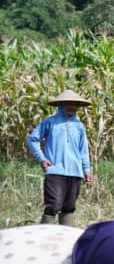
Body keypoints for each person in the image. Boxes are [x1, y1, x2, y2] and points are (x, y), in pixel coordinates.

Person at [26, 90, 95, 227]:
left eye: (76, 105)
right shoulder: (50, 122)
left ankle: (66, 240)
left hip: (75, 172)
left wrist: (86, 169)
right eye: (69, 104)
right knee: (54, 204)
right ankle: (44, 236)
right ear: (61, 105)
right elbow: (32, 139)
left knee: (69, 206)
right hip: (55, 170)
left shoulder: (79, 126)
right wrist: (42, 158)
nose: (73, 107)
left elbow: (83, 150)